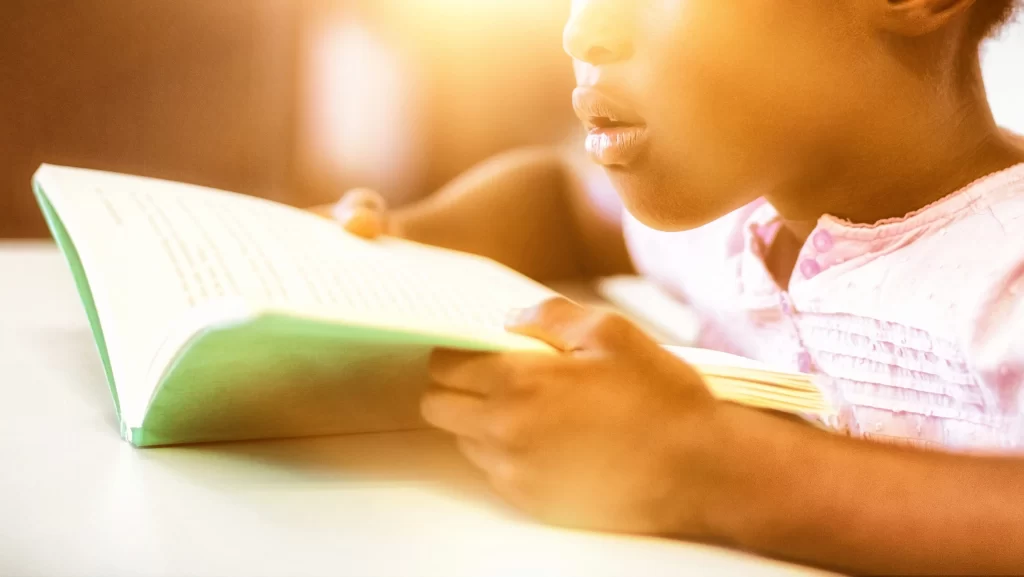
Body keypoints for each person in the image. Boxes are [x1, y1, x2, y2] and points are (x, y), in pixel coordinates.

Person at [320, 0, 1024, 573]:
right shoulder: (732, 219)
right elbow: (561, 199)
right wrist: (403, 238)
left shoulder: (1006, 266)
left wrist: (708, 464)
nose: (583, 28)